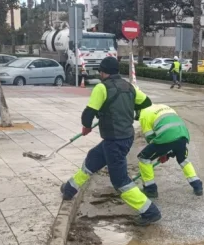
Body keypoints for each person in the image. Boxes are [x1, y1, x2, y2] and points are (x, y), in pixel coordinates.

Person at [60, 57, 161, 226]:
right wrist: (133, 111)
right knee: (93, 158)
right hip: (125, 137)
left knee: (120, 181)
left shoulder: (102, 87)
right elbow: (147, 103)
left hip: (115, 140)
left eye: (100, 71)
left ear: (103, 71)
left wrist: (86, 127)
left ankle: (150, 211)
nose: (100, 74)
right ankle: (70, 188)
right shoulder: (130, 88)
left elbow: (88, 113)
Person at [135, 103, 203, 198]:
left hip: (166, 137)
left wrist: (162, 154)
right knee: (182, 159)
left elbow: (151, 139)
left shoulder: (143, 115)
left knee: (144, 157)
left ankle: (150, 189)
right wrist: (166, 152)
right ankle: (197, 186)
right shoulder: (163, 106)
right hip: (182, 134)